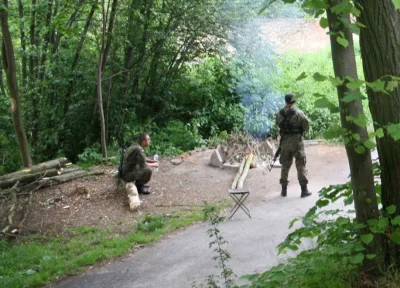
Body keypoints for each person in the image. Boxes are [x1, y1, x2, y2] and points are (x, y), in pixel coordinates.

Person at [276, 94, 312, 198]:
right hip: (297, 141)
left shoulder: (280, 114)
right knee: (300, 164)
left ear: (285, 101)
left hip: (284, 141)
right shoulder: (299, 114)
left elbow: (278, 125)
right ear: (294, 102)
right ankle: (304, 190)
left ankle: (284, 191)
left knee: (285, 165)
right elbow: (306, 127)